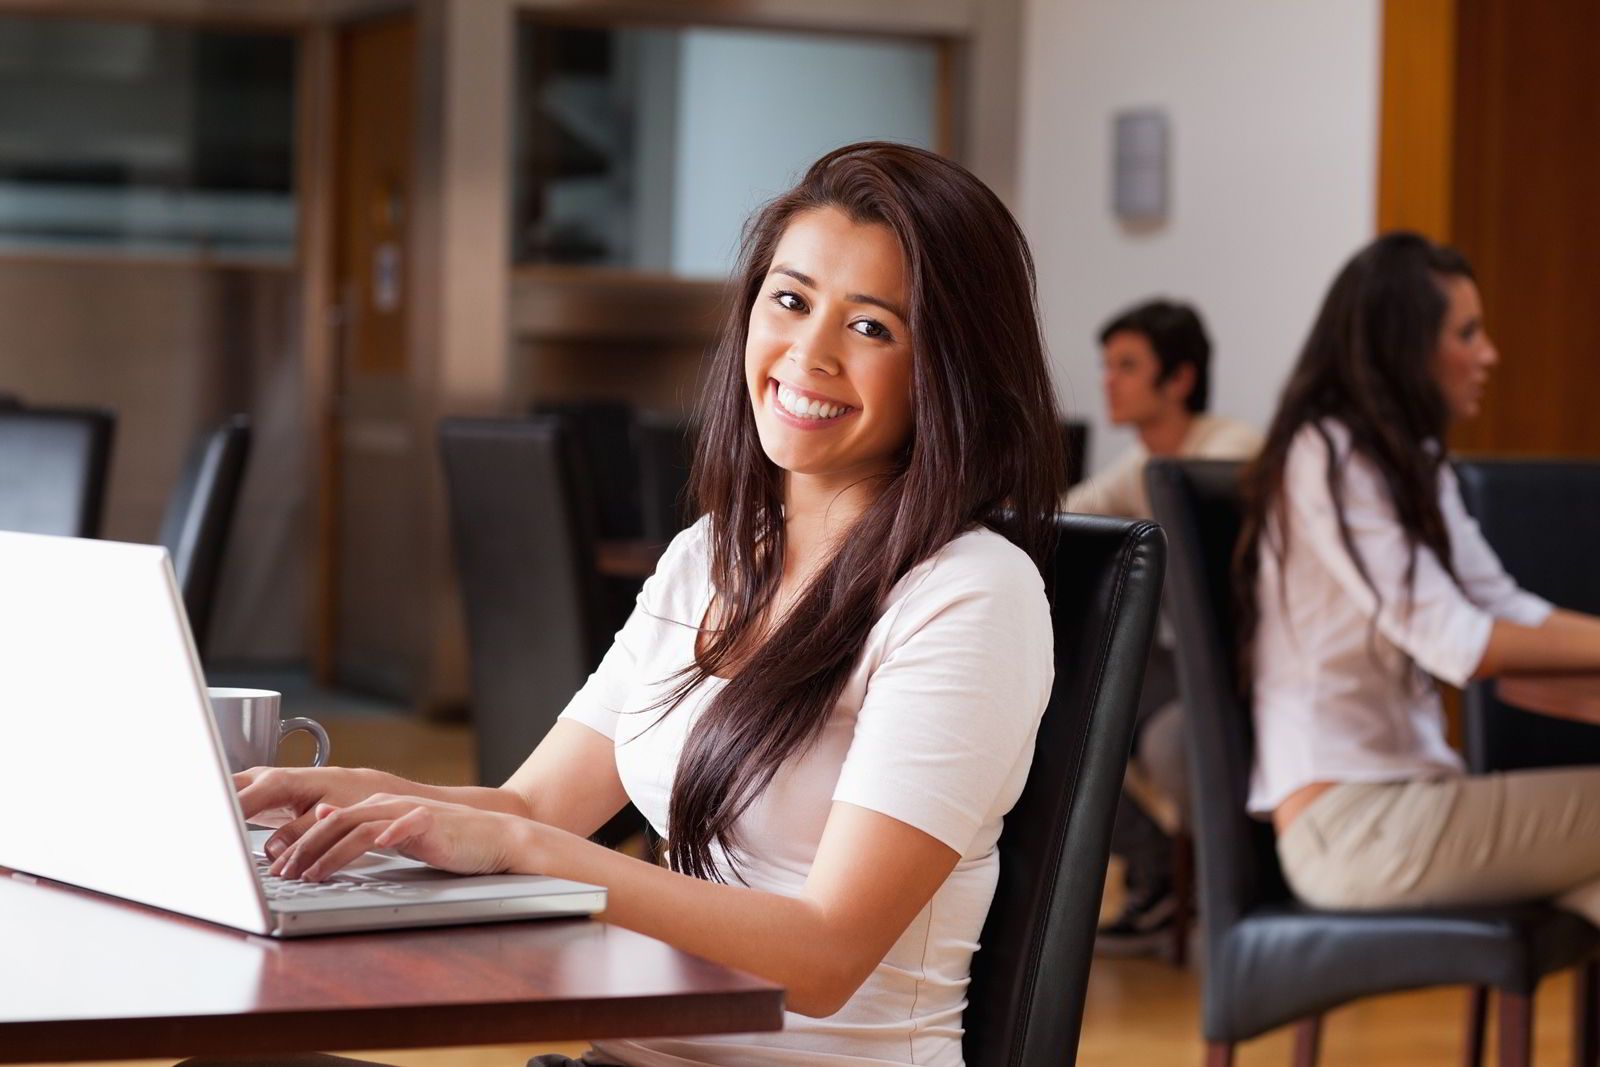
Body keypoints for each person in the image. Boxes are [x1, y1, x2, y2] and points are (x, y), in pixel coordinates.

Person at [232, 142, 1064, 1067]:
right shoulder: (712, 555)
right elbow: (534, 803)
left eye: (872, 328)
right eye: (789, 301)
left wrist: (518, 847)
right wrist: (366, 796)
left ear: (948, 369)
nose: (809, 353)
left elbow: (826, 954)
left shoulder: (970, 595)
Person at [1238, 231, 1600, 924]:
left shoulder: (1414, 461)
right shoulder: (1330, 454)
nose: (1489, 354)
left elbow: (1505, 608)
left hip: (1409, 805)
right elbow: (1461, 643)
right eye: (1468, 333)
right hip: (1350, 826)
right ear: (1406, 346)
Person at [1065, 300, 1261, 954]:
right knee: (1053, 708)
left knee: (1177, 738)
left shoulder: (1230, 451)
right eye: (1106, 365)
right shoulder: (1141, 466)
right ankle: (1156, 873)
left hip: (1251, 676)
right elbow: (1069, 515)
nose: (1108, 381)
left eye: (1127, 365)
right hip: (1191, 670)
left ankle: (1229, 884)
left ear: (1177, 380)